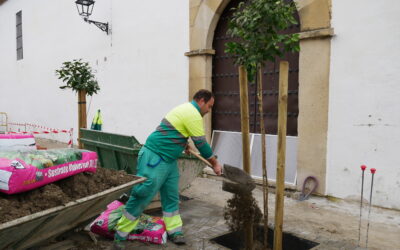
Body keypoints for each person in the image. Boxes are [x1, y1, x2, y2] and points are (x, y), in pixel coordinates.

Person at [113, 89, 222, 248]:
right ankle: (120, 235)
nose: (209, 110)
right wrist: (215, 163)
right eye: (209, 106)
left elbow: (173, 130)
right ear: (201, 101)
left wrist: (182, 142)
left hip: (169, 160)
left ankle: (174, 231)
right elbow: (201, 143)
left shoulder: (185, 109)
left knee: (171, 196)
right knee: (143, 193)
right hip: (155, 157)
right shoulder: (192, 113)